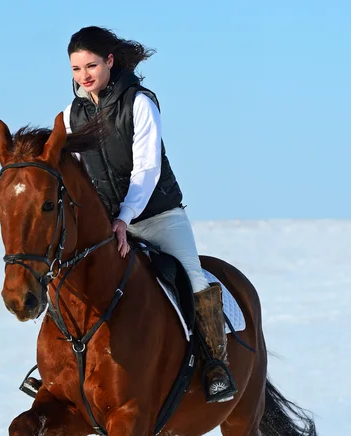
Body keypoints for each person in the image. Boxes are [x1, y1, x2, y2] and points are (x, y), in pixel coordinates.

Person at [63, 26, 236, 403]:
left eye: (91, 65)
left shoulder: (139, 102)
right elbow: (75, 177)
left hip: (158, 217)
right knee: (67, 280)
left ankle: (215, 365)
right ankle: (56, 370)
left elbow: (146, 170)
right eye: (76, 69)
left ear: (110, 61)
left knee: (192, 276)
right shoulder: (69, 115)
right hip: (108, 227)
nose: (84, 76)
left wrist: (125, 217)